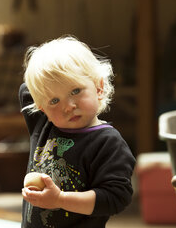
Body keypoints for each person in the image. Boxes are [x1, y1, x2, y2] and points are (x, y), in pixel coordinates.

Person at [19, 35, 135, 228]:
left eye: (75, 91)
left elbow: (116, 197)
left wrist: (60, 200)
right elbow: (26, 90)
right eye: (54, 101)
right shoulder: (43, 124)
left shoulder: (108, 142)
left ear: (99, 88)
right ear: (42, 108)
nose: (68, 106)